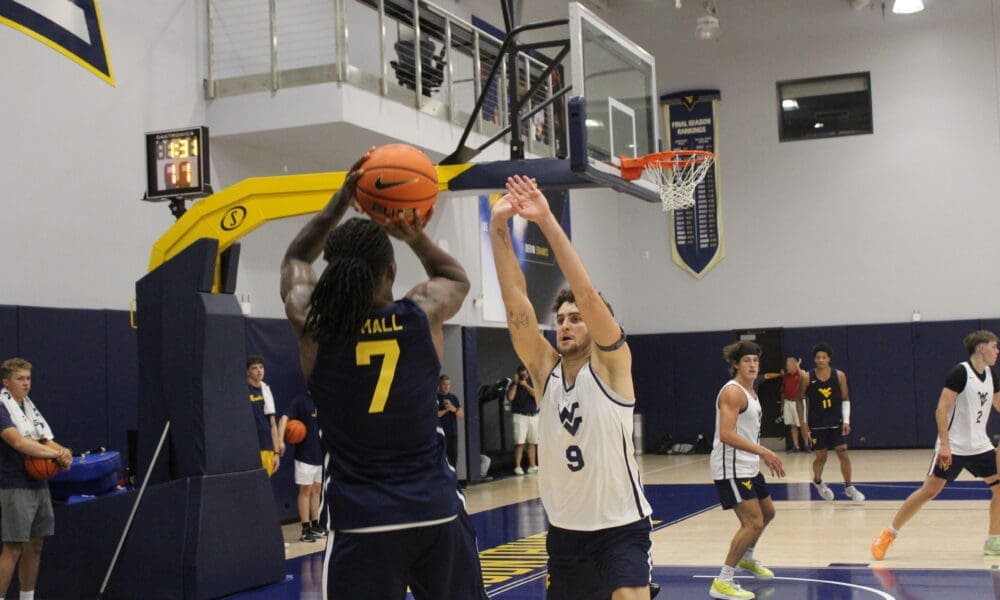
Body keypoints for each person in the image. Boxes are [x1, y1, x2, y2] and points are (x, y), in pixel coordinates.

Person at [280, 151, 488, 600]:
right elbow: (455, 277)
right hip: (434, 508)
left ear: (332, 275)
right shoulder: (422, 312)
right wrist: (412, 233)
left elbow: (296, 256)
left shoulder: (313, 325)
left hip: (362, 519)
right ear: (391, 270)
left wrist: (336, 205)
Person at [490, 175, 655, 600]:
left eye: (575, 318)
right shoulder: (546, 373)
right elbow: (514, 299)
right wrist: (498, 227)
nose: (565, 324)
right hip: (565, 532)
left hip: (620, 527)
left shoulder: (613, 366)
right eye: (560, 319)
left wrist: (546, 219)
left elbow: (585, 290)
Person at [872, 330, 1000, 559]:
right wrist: (945, 445)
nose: (997, 351)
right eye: (994, 346)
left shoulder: (991, 375)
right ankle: (888, 533)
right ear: (982, 348)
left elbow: (999, 402)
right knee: (929, 491)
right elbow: (941, 409)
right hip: (955, 446)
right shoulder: (960, 373)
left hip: (980, 445)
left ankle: (993, 540)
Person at [709, 342, 785, 600]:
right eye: (747, 360)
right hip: (731, 467)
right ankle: (723, 581)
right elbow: (726, 434)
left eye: (755, 360)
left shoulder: (751, 392)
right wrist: (763, 451)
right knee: (753, 523)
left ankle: (748, 557)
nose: (752, 364)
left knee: (768, 513)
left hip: (748, 465)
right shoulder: (733, 393)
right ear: (736, 365)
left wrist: (757, 455)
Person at [0, 358, 72, 600]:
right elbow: (19, 442)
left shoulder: (29, 408)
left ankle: (27, 598)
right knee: (13, 547)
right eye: (20, 379)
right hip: (13, 485)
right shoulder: (2, 407)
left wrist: (64, 452)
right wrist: (55, 454)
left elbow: (43, 439)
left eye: (28, 378)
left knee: (35, 545)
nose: (26, 383)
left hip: (38, 484)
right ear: (6, 382)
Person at [801, 343, 865, 502]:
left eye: (824, 357)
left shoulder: (839, 375)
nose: (821, 360)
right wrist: (804, 424)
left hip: (835, 422)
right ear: (814, 360)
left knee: (843, 453)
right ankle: (818, 482)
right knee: (821, 457)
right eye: (818, 358)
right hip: (817, 424)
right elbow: (799, 400)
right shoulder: (808, 377)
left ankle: (849, 486)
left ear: (829, 359)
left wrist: (846, 420)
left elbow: (845, 399)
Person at [277, 393, 325, 543]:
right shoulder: (300, 401)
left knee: (317, 490)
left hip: (320, 454)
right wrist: (280, 441)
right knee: (305, 491)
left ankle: (315, 525)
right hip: (304, 455)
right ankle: (305, 529)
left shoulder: (323, 400)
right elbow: (284, 418)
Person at [762, 357, 809, 452]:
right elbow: (783, 392)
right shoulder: (786, 376)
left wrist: (798, 366)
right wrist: (782, 405)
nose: (786, 367)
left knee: (803, 424)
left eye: (788, 365)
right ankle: (796, 446)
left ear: (794, 365)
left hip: (799, 403)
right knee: (792, 425)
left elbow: (804, 378)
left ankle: (807, 444)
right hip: (788, 402)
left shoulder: (801, 373)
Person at [247, 355, 281, 476]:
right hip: (248, 447)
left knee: (264, 486)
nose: (259, 370)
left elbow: (273, 424)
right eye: (254, 368)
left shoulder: (266, 390)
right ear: (248, 372)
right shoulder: (242, 390)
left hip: (266, 446)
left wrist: (276, 453)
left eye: (261, 367)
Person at [507, 364, 539, 475]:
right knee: (519, 442)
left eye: (525, 372)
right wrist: (516, 384)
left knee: (533, 441)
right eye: (522, 373)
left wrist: (526, 385)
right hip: (520, 416)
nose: (524, 375)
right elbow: (510, 397)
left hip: (532, 415)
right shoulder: (513, 384)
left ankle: (532, 465)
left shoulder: (532, 382)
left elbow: (536, 395)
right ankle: (517, 466)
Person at [436, 375, 463, 468]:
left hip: (452, 433)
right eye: (444, 384)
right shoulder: (435, 397)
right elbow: (436, 414)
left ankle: (453, 480)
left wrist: (453, 409)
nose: (447, 387)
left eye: (448, 384)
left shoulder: (453, 398)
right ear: (439, 385)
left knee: (453, 458)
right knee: (441, 458)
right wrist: (447, 409)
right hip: (440, 434)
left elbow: (461, 414)